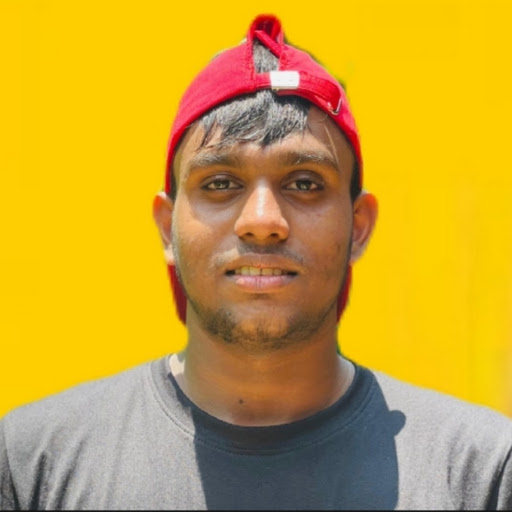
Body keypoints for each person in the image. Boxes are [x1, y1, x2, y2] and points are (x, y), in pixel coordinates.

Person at [1, 14, 511, 510]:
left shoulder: (481, 473)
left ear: (358, 226)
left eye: (304, 183)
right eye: (221, 183)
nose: (263, 221)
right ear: (166, 227)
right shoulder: (31, 465)